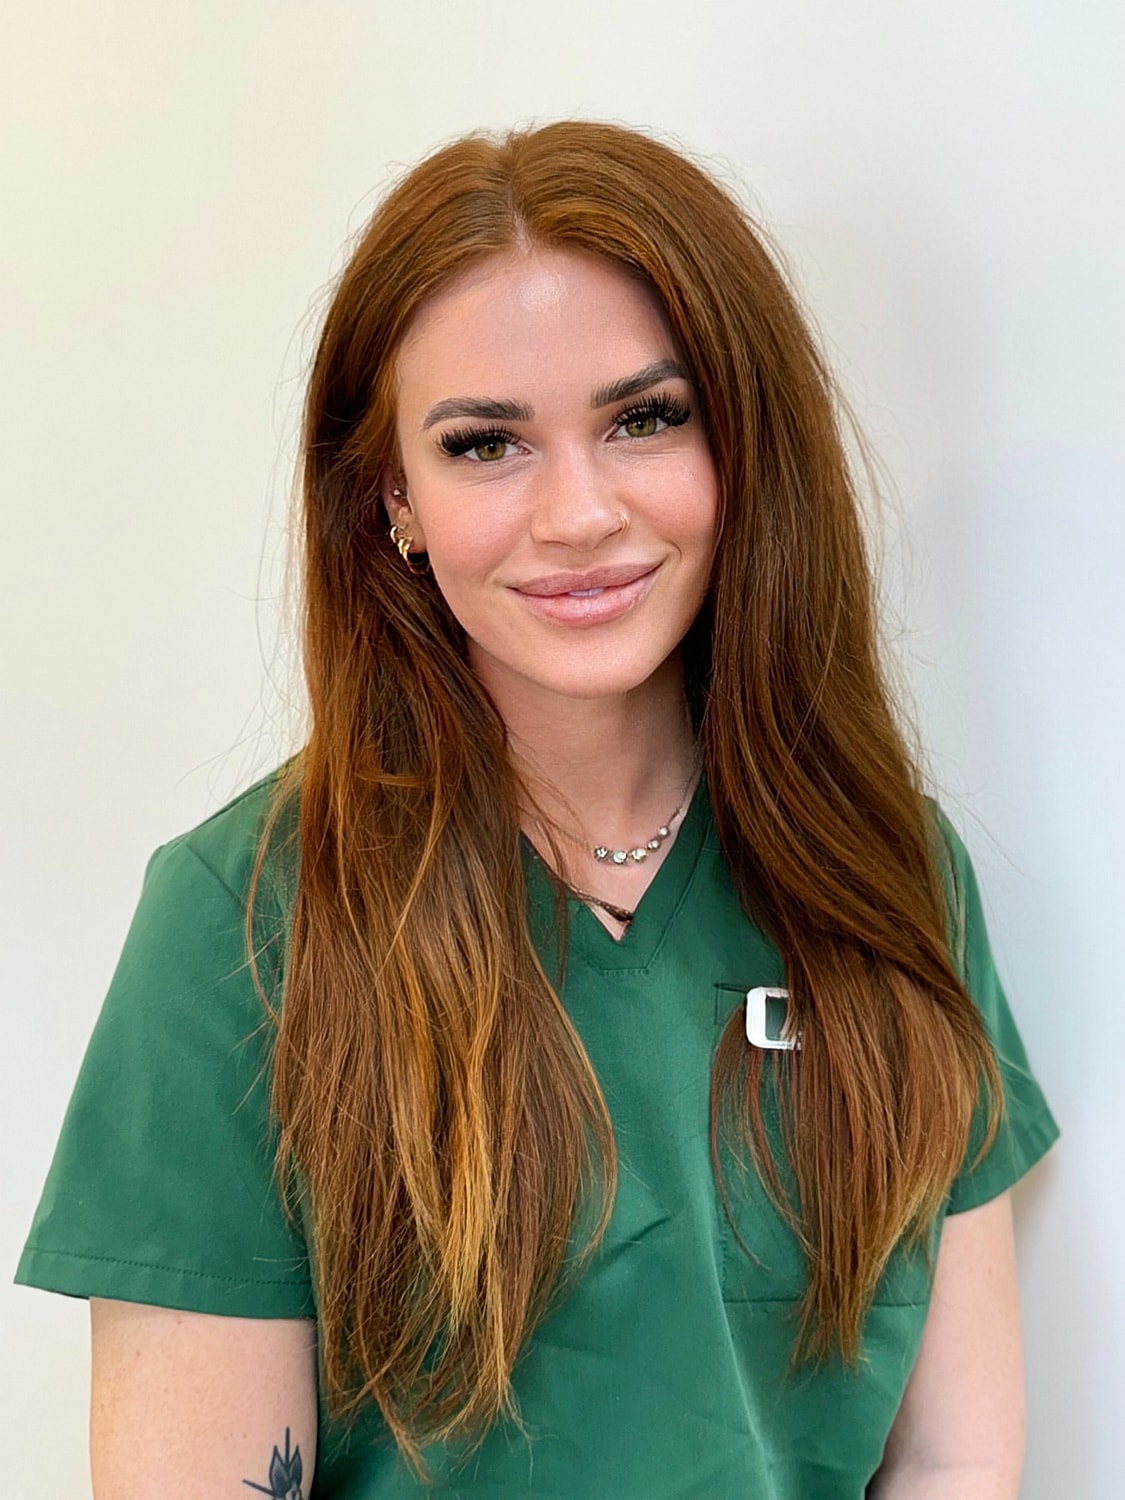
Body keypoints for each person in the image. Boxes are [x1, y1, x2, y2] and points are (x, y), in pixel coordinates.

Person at [16, 121, 1058, 1498]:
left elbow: (945, 1464)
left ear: (740, 447)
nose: (576, 513)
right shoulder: (244, 921)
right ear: (396, 498)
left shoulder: (887, 873)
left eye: (643, 419)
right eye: (485, 443)